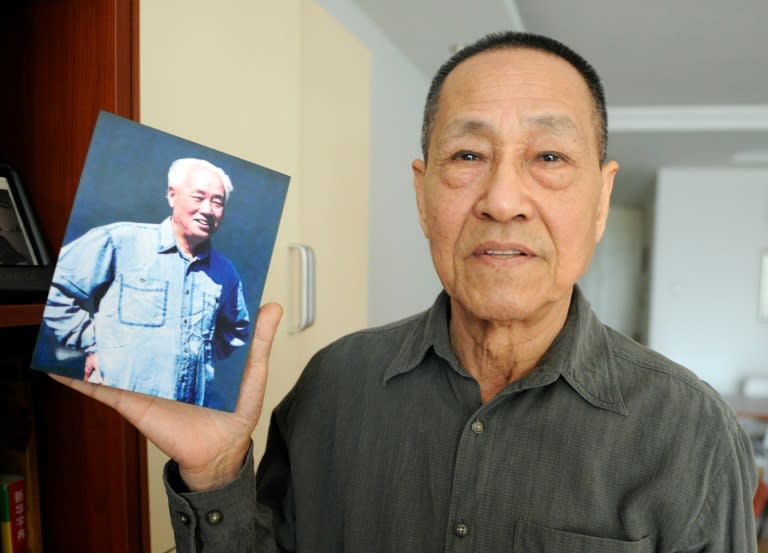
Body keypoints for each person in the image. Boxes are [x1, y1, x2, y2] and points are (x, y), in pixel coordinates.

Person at [53, 32, 757, 552]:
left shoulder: (689, 433)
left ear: (601, 200)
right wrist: (214, 473)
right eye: (468, 156)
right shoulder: (332, 386)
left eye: (548, 157)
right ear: (422, 195)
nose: (504, 198)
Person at [43, 158, 250, 406]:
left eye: (217, 202)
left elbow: (236, 329)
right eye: (198, 197)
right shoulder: (119, 241)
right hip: (119, 403)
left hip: (188, 410)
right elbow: (55, 290)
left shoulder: (225, 273)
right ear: (172, 196)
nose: (207, 209)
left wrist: (199, 356)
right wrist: (96, 345)